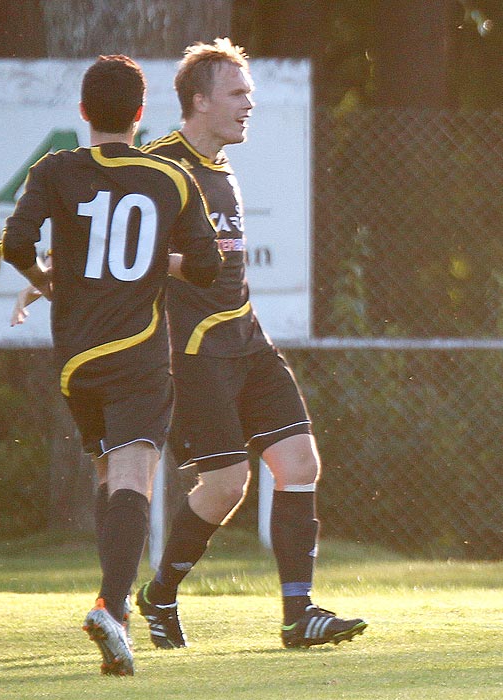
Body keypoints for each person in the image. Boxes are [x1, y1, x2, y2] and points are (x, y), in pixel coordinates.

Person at [134, 38, 366, 649]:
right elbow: (128, 255)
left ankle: (298, 615)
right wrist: (184, 265)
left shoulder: (220, 165)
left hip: (249, 339)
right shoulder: (159, 167)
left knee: (299, 465)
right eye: (237, 94)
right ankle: (158, 597)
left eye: (251, 95)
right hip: (194, 353)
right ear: (200, 100)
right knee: (226, 486)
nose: (248, 105)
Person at [2, 54, 221, 676]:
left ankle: (111, 606)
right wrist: (160, 262)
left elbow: (16, 245)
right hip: (138, 350)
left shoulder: (55, 170)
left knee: (108, 474)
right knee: (135, 472)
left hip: (75, 358)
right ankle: (115, 606)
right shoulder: (170, 178)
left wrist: (42, 281)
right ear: (141, 114)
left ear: (82, 113)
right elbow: (206, 266)